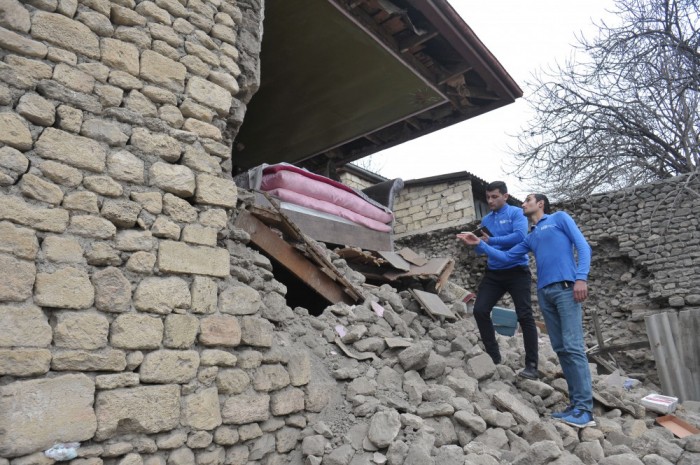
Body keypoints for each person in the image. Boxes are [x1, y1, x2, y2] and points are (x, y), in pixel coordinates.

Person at [457, 193, 595, 428]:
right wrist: (480, 243)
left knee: (573, 346)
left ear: (540, 204)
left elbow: (583, 246)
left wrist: (581, 277)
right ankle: (575, 404)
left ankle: (585, 410)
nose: (522, 204)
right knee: (561, 348)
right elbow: (508, 256)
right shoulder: (531, 236)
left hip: (566, 288)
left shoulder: (559, 218)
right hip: (544, 293)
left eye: (527, 200)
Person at [466, 181, 539, 380]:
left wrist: (491, 241)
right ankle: (494, 356)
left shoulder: (516, 213)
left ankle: (532, 365)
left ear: (505, 196)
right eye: (488, 197)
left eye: (494, 197)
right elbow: (483, 249)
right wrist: (475, 243)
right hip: (494, 273)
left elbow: (519, 236)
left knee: (525, 315)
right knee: (480, 310)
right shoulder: (487, 220)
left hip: (517, 271)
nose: (490, 201)